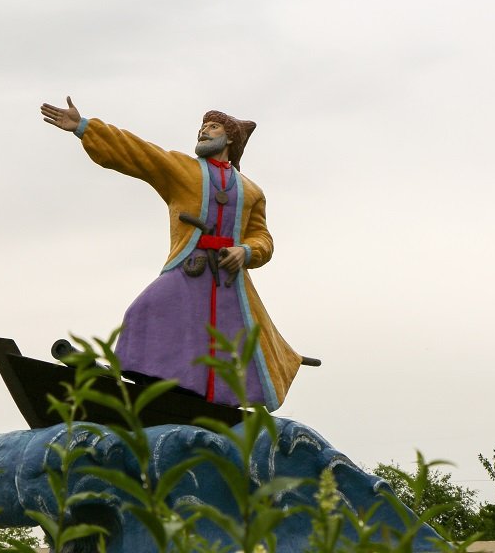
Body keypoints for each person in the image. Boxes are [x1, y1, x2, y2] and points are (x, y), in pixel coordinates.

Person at [40, 97, 303, 410]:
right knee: (146, 309)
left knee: (230, 343)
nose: (203, 131)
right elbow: (139, 153)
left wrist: (245, 251)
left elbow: (262, 237)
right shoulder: (183, 169)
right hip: (189, 268)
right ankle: (142, 380)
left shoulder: (252, 191)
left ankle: (211, 400)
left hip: (230, 283)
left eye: (213, 127)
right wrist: (85, 127)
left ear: (230, 138)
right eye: (202, 127)